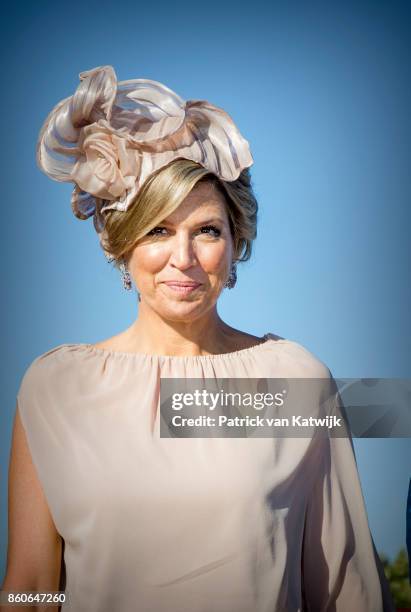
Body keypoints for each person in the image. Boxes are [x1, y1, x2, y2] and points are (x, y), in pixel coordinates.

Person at [1, 65, 395, 612]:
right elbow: (28, 584)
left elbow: (343, 590)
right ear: (122, 245)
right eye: (157, 230)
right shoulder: (53, 389)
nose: (182, 259)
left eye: (206, 230)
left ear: (236, 245)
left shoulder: (296, 380)